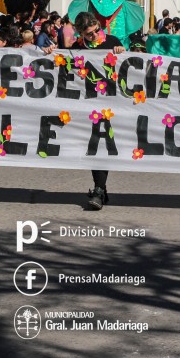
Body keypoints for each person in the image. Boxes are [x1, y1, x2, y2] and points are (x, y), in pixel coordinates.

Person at [70, 11, 126, 210]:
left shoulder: (111, 41)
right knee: (96, 145)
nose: (94, 36)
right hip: (89, 105)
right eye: (89, 34)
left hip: (113, 103)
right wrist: (50, 50)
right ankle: (100, 189)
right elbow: (58, 63)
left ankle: (100, 189)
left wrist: (122, 51)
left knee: (107, 145)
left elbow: (129, 64)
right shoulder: (75, 48)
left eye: (96, 31)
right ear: (81, 34)